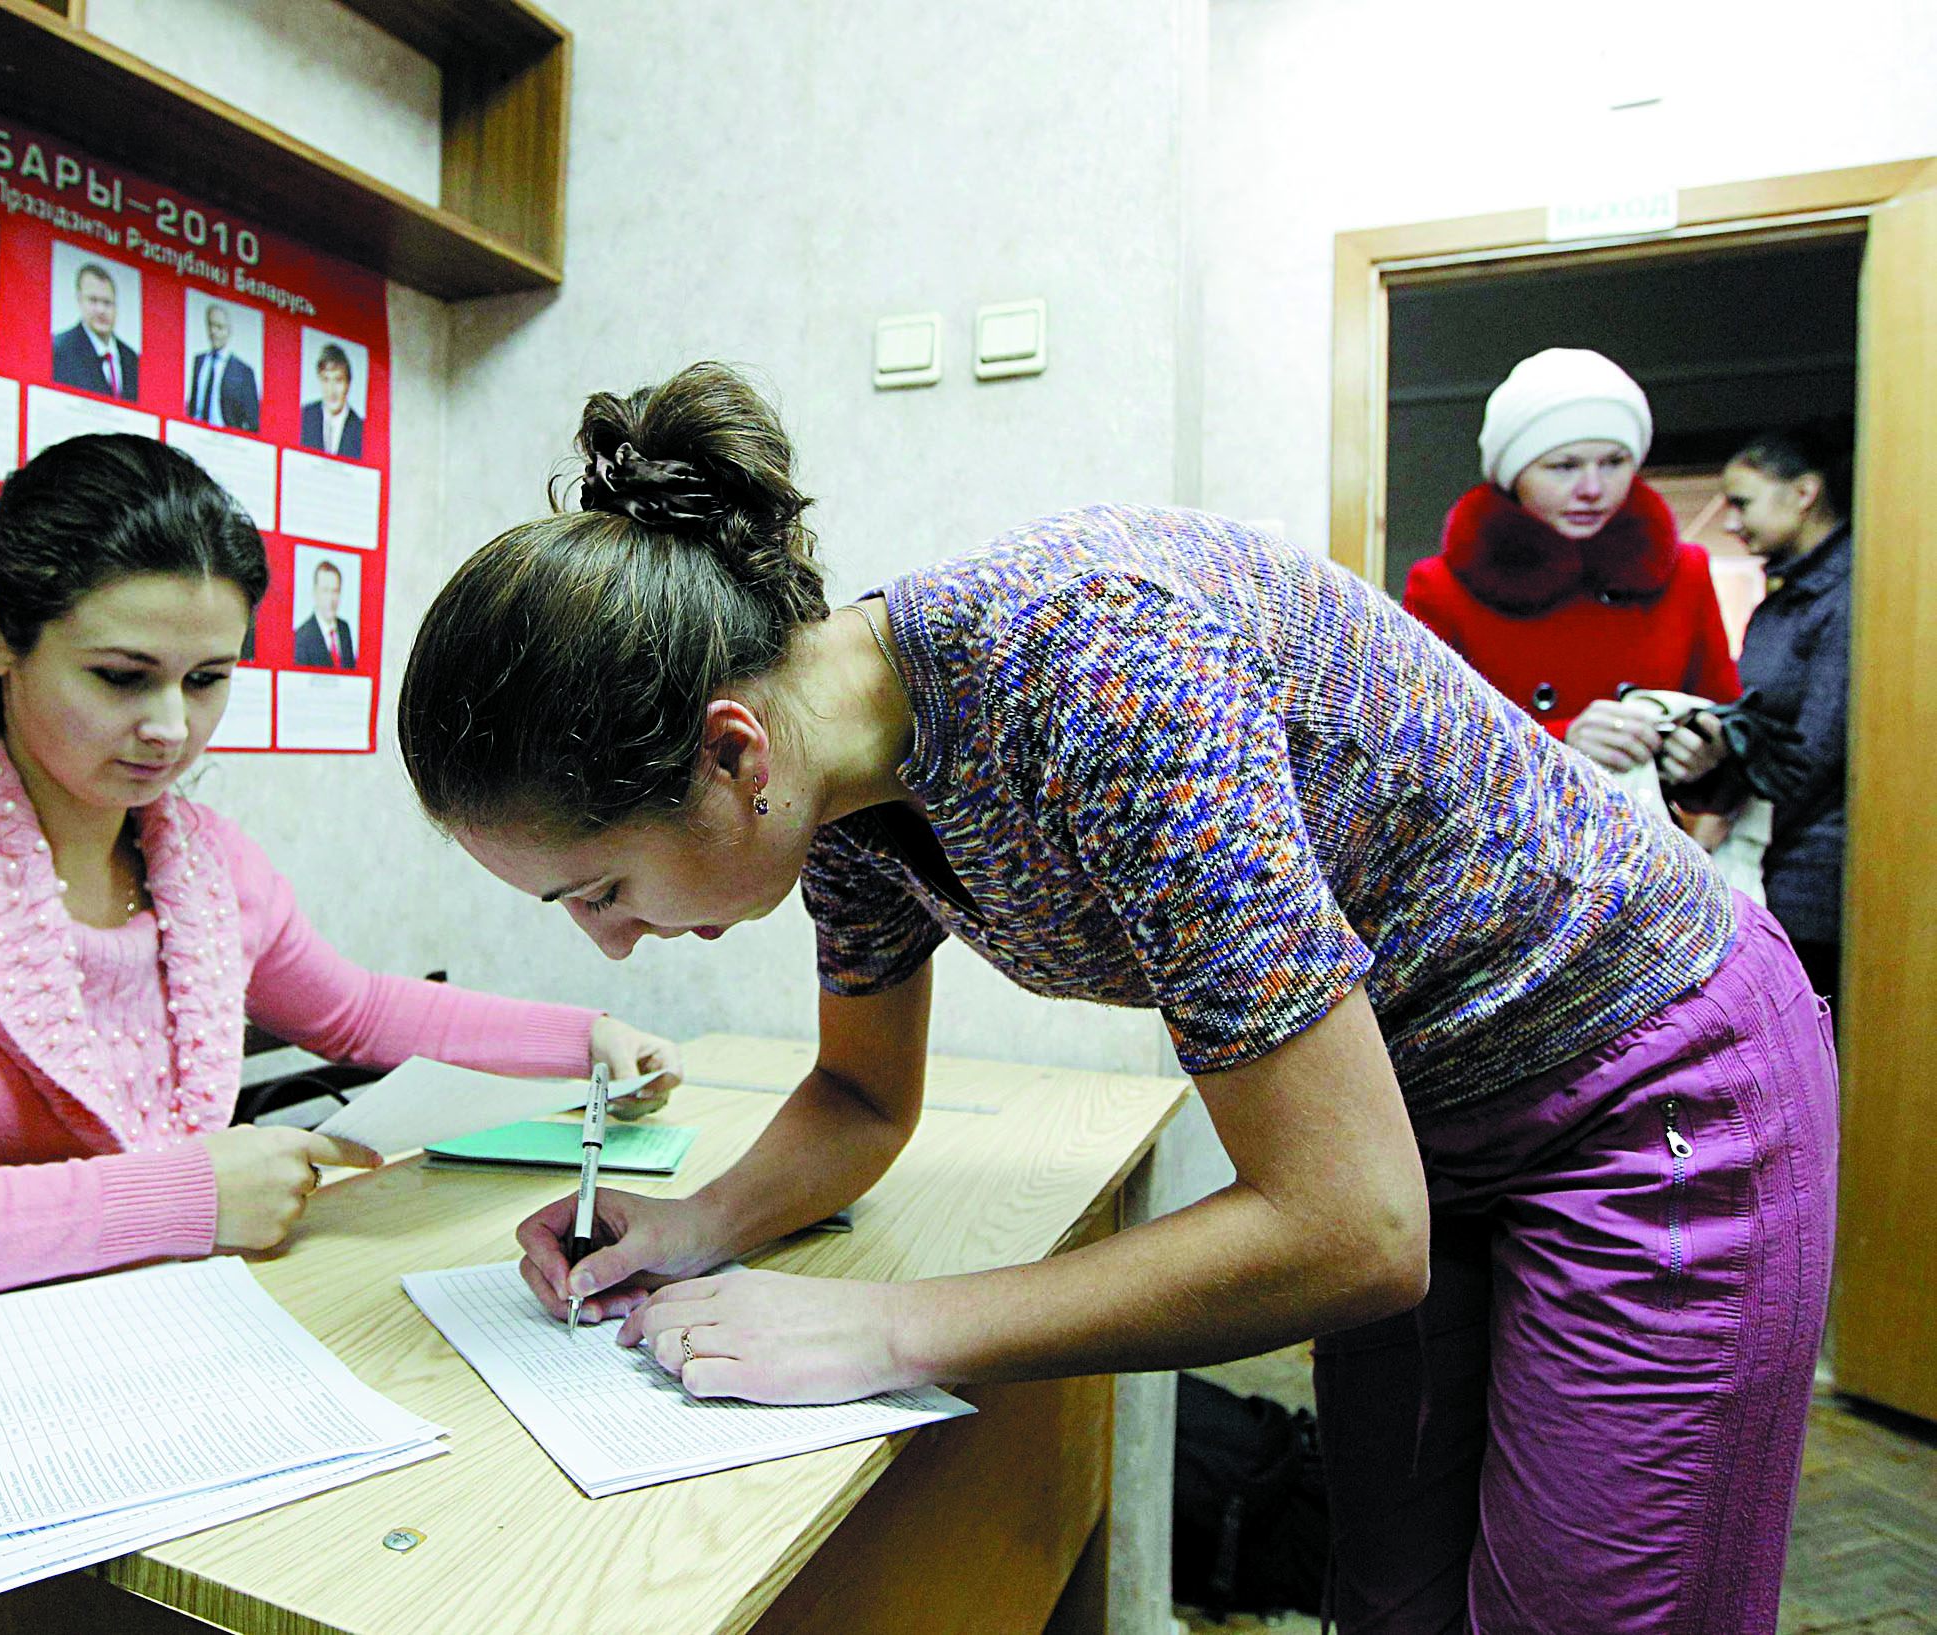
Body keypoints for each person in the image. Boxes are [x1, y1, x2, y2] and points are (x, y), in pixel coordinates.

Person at [395, 363, 1837, 1635]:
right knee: (1389, 1593)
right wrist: (690, 1223)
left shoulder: (1097, 673)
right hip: (1414, 1114)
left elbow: (1348, 1225)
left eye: (596, 887)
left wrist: (887, 1326)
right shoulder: (825, 784)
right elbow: (858, 1094)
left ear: (726, 755)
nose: (611, 943)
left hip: (1646, 1073)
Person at [0, 433, 677, 1630]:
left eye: (207, 680)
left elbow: (355, 1006)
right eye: (122, 675)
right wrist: (177, 1196)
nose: (170, 731)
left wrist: (583, 1034)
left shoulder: (200, 861)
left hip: (128, 1394)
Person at [1401, 347, 1739, 776]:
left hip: (1646, 836)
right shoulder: (1442, 588)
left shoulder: (1685, 574)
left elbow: (1724, 726)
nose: (1593, 488)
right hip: (1511, 838)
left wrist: (1705, 759)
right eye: (1564, 466)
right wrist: (1560, 743)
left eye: (1615, 462)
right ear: (1513, 474)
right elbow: (1421, 748)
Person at [1657, 426, 1853, 1014]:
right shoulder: (1786, 596)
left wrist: (1717, 820)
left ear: (1803, 493)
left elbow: (1817, 751)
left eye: (1743, 502)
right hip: (1769, 849)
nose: (1733, 521)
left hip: (1810, 874)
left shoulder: (1848, 595)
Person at [51, 262, 140, 399]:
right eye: (93, 300)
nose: (101, 310)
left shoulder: (133, 360)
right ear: (79, 300)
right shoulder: (58, 350)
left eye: (107, 302)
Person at [187, 303, 262, 431]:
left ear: (229, 331)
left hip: (226, 441)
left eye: (219, 327)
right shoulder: (198, 360)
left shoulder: (244, 371)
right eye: (210, 325)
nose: (213, 332)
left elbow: (252, 421)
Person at [292, 558, 358, 669]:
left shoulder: (344, 628)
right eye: (325, 591)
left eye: (335, 591)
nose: (331, 599)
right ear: (315, 592)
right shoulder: (301, 636)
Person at [300, 344, 363, 456]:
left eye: (338, 380)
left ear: (348, 384)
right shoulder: (304, 416)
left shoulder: (361, 430)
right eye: (326, 380)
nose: (331, 390)